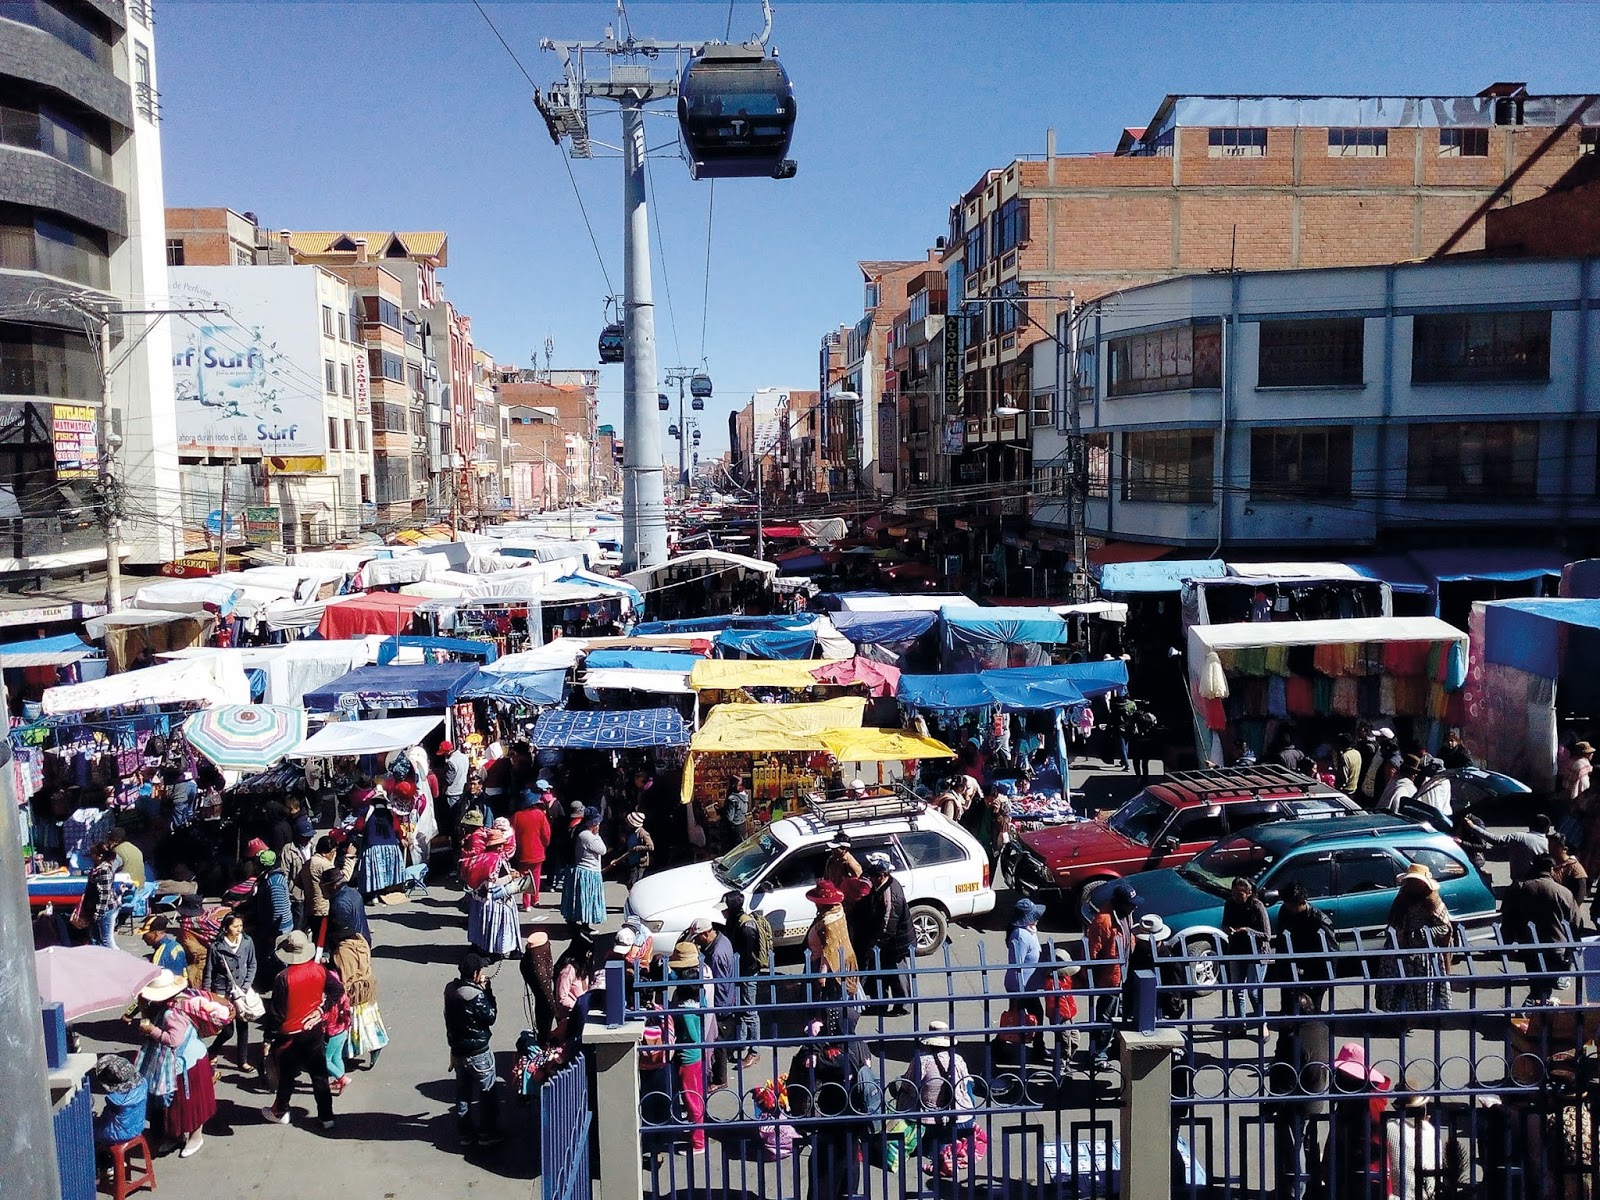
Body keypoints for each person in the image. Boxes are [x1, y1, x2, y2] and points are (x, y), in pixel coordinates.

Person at [261, 930, 343, 1131]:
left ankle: (280, 1111)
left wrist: (268, 1039)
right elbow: (337, 990)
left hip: (289, 1036)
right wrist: (321, 1010)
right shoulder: (319, 970)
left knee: (287, 1076)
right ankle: (326, 1117)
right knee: (319, 1075)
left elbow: (277, 1014)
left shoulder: (283, 977)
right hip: (314, 1031)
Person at [131, 968, 214, 1158]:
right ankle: (176, 1136)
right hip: (185, 1062)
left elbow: (173, 1040)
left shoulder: (173, 1013)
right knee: (176, 1106)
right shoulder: (175, 1002)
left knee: (191, 1104)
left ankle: (196, 1137)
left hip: (188, 1064)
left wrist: (151, 1030)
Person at [1263, 995, 1330, 1200]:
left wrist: (1270, 1104)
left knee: (1295, 1146)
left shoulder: (1296, 1040)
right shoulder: (1321, 1028)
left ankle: (1296, 1191)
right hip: (1316, 1094)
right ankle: (1310, 1185)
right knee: (1309, 1141)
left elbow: (1287, 1080)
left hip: (1297, 1101)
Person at [443, 951, 504, 1150]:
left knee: (463, 1093)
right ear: (476, 973)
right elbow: (491, 1016)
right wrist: (487, 991)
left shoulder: (450, 990)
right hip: (479, 1051)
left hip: (458, 1050)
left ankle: (465, 1133)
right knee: (487, 1093)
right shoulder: (475, 996)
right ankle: (487, 1133)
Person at [1375, 864, 1454, 1016]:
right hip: (1399, 949)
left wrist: (1419, 935)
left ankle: (1418, 1016)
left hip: (1422, 955)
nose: (1412, 885)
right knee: (1397, 986)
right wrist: (1395, 932)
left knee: (1421, 988)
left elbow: (1444, 927)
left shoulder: (1432, 901)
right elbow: (1393, 919)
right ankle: (1399, 1014)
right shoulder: (1402, 897)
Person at [1501, 852, 1578, 1004]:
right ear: (1552, 870)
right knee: (1543, 987)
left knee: (1539, 986)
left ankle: (1534, 1015)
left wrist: (1507, 944)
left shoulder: (1519, 888)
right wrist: (1571, 951)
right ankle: (1534, 1016)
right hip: (1556, 948)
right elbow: (1576, 923)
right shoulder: (1563, 892)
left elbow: (1507, 919)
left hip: (1530, 947)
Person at [903, 1021, 978, 1172]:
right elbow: (967, 1082)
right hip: (960, 1117)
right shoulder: (958, 1059)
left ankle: (932, 1146)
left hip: (928, 1120)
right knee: (969, 1084)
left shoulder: (922, 1060)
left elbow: (908, 1087)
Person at [1324, 1043, 1394, 1200]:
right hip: (1351, 1176)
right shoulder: (1352, 1097)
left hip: (1365, 1178)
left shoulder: (1370, 1103)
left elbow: (1376, 1143)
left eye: (1342, 1072)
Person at [1085, 882, 1135, 1063]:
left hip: (1124, 974)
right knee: (1106, 1017)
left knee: (1121, 1014)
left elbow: (1129, 935)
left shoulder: (1126, 914)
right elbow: (1092, 951)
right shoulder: (1103, 920)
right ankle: (1098, 1053)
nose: (1134, 906)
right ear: (1120, 902)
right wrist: (1092, 977)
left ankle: (1113, 1048)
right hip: (1110, 979)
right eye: (1131, 903)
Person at [203, 911, 258, 1074]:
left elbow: (252, 964)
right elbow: (209, 970)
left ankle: (243, 1061)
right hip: (221, 990)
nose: (239, 929)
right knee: (227, 1029)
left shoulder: (247, 942)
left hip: (241, 989)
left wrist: (247, 985)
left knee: (243, 1025)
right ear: (226, 928)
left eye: (240, 926)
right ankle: (212, 1050)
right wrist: (207, 993)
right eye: (235, 926)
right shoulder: (216, 946)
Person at [688, 914, 739, 1090]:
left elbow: (718, 983)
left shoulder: (716, 954)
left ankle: (719, 1080)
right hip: (728, 998)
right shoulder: (723, 940)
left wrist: (715, 1008)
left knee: (718, 1044)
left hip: (721, 1003)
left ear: (705, 934)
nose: (697, 942)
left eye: (697, 938)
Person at [667, 941, 708, 1154]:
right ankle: (696, 1131)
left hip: (687, 1056)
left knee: (691, 1098)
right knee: (696, 1095)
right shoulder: (698, 994)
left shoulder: (685, 1008)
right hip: (695, 1055)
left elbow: (691, 1035)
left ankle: (698, 1141)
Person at [858, 854, 911, 1015]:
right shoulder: (880, 886)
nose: (870, 878)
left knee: (896, 975)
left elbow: (888, 927)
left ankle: (902, 1006)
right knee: (877, 975)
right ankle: (878, 1004)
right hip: (881, 941)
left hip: (894, 943)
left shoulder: (891, 895)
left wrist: (875, 946)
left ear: (882, 875)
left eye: (873, 875)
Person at [1271, 882, 1335, 1012]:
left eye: (1293, 906)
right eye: (1287, 904)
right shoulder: (1285, 911)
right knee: (1288, 1010)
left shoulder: (1318, 920)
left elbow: (1331, 950)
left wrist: (1327, 980)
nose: (1290, 909)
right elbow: (1281, 940)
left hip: (1314, 973)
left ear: (1303, 902)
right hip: (1290, 970)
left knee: (1310, 1011)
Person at [467, 822, 524, 960]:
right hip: (496, 900)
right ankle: (496, 951)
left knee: (483, 926)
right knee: (499, 929)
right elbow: (494, 881)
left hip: (481, 898)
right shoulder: (496, 859)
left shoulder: (482, 857)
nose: (502, 847)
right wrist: (511, 877)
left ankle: (481, 946)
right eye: (500, 844)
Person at [722, 892, 767, 1060]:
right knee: (739, 1010)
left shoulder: (747, 925)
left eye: (725, 908)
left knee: (750, 1011)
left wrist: (740, 973)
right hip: (738, 972)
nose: (722, 912)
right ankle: (741, 1044)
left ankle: (754, 1050)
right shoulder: (732, 920)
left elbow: (749, 956)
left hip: (747, 973)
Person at [1221, 876, 1271, 1024]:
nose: (1236, 897)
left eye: (1240, 894)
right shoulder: (1229, 904)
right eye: (1234, 893)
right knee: (1237, 991)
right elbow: (1224, 924)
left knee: (1253, 991)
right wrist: (1228, 929)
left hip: (1256, 953)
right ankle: (1239, 1023)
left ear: (1249, 893)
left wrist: (1247, 930)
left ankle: (1262, 1022)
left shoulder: (1257, 906)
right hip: (1237, 950)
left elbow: (1267, 935)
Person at [1004, 897, 1046, 1046]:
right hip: (1021, 986)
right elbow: (1016, 964)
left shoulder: (1030, 931)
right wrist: (1018, 992)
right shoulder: (1020, 936)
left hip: (1029, 986)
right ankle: (1037, 1047)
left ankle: (1002, 1045)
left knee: (1020, 1018)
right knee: (1020, 1017)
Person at [1465, 812, 1552, 882]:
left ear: (1530, 826)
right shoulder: (1550, 844)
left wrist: (1473, 827)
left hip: (1519, 882)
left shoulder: (1519, 837)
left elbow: (1496, 840)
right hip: (1541, 882)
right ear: (1547, 829)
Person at [560, 807, 607, 933]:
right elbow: (602, 850)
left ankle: (574, 922)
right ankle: (585, 925)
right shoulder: (587, 836)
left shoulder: (579, 832)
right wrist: (597, 834)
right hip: (588, 871)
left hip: (581, 869)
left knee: (579, 899)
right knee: (586, 900)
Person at [90, 1053, 148, 1151]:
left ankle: (101, 1158)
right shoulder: (143, 1085)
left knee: (89, 1131)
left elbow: (106, 1117)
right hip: (137, 1126)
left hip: (115, 1133)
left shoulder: (115, 1100)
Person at [251, 847, 292, 980]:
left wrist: (273, 934)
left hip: (278, 929)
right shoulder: (269, 878)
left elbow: (279, 911)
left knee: (278, 957)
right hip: (274, 927)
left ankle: (281, 982)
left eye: (256, 863)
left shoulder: (274, 883)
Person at [509, 789, 551, 911]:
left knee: (524, 877)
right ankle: (535, 899)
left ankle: (526, 903)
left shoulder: (516, 816)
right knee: (536, 876)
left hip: (523, 852)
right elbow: (546, 834)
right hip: (538, 849)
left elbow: (512, 835)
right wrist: (544, 845)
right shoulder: (540, 814)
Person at [78, 841, 119, 948]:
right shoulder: (98, 868)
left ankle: (118, 960)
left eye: (93, 854)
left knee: (106, 939)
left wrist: (98, 913)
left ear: (99, 856)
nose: (91, 856)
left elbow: (104, 894)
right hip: (99, 909)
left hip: (106, 910)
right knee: (96, 938)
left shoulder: (104, 870)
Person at [321, 870, 372, 950]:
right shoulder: (353, 892)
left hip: (352, 947)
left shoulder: (339, 903)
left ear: (333, 885)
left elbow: (341, 933)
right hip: (363, 940)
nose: (321, 890)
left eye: (323, 886)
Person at [610, 811, 654, 890]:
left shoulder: (643, 833)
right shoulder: (631, 833)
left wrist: (638, 848)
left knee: (636, 884)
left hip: (639, 863)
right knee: (631, 883)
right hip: (631, 861)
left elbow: (651, 847)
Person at [1548, 833, 1590, 912]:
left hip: (1567, 912)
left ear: (1565, 849)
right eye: (1549, 846)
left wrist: (1571, 912)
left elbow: (1579, 896)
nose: (1550, 849)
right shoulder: (1548, 863)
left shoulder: (1575, 869)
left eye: (1554, 847)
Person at [1559, 740, 1595, 812]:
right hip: (1577, 797)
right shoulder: (1586, 765)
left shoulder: (1569, 761)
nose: (1592, 754)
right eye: (1590, 753)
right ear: (1585, 754)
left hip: (1565, 792)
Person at [723, 777, 751, 848]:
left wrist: (721, 812)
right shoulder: (744, 796)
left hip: (734, 827)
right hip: (742, 825)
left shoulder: (732, 799)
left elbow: (729, 817)